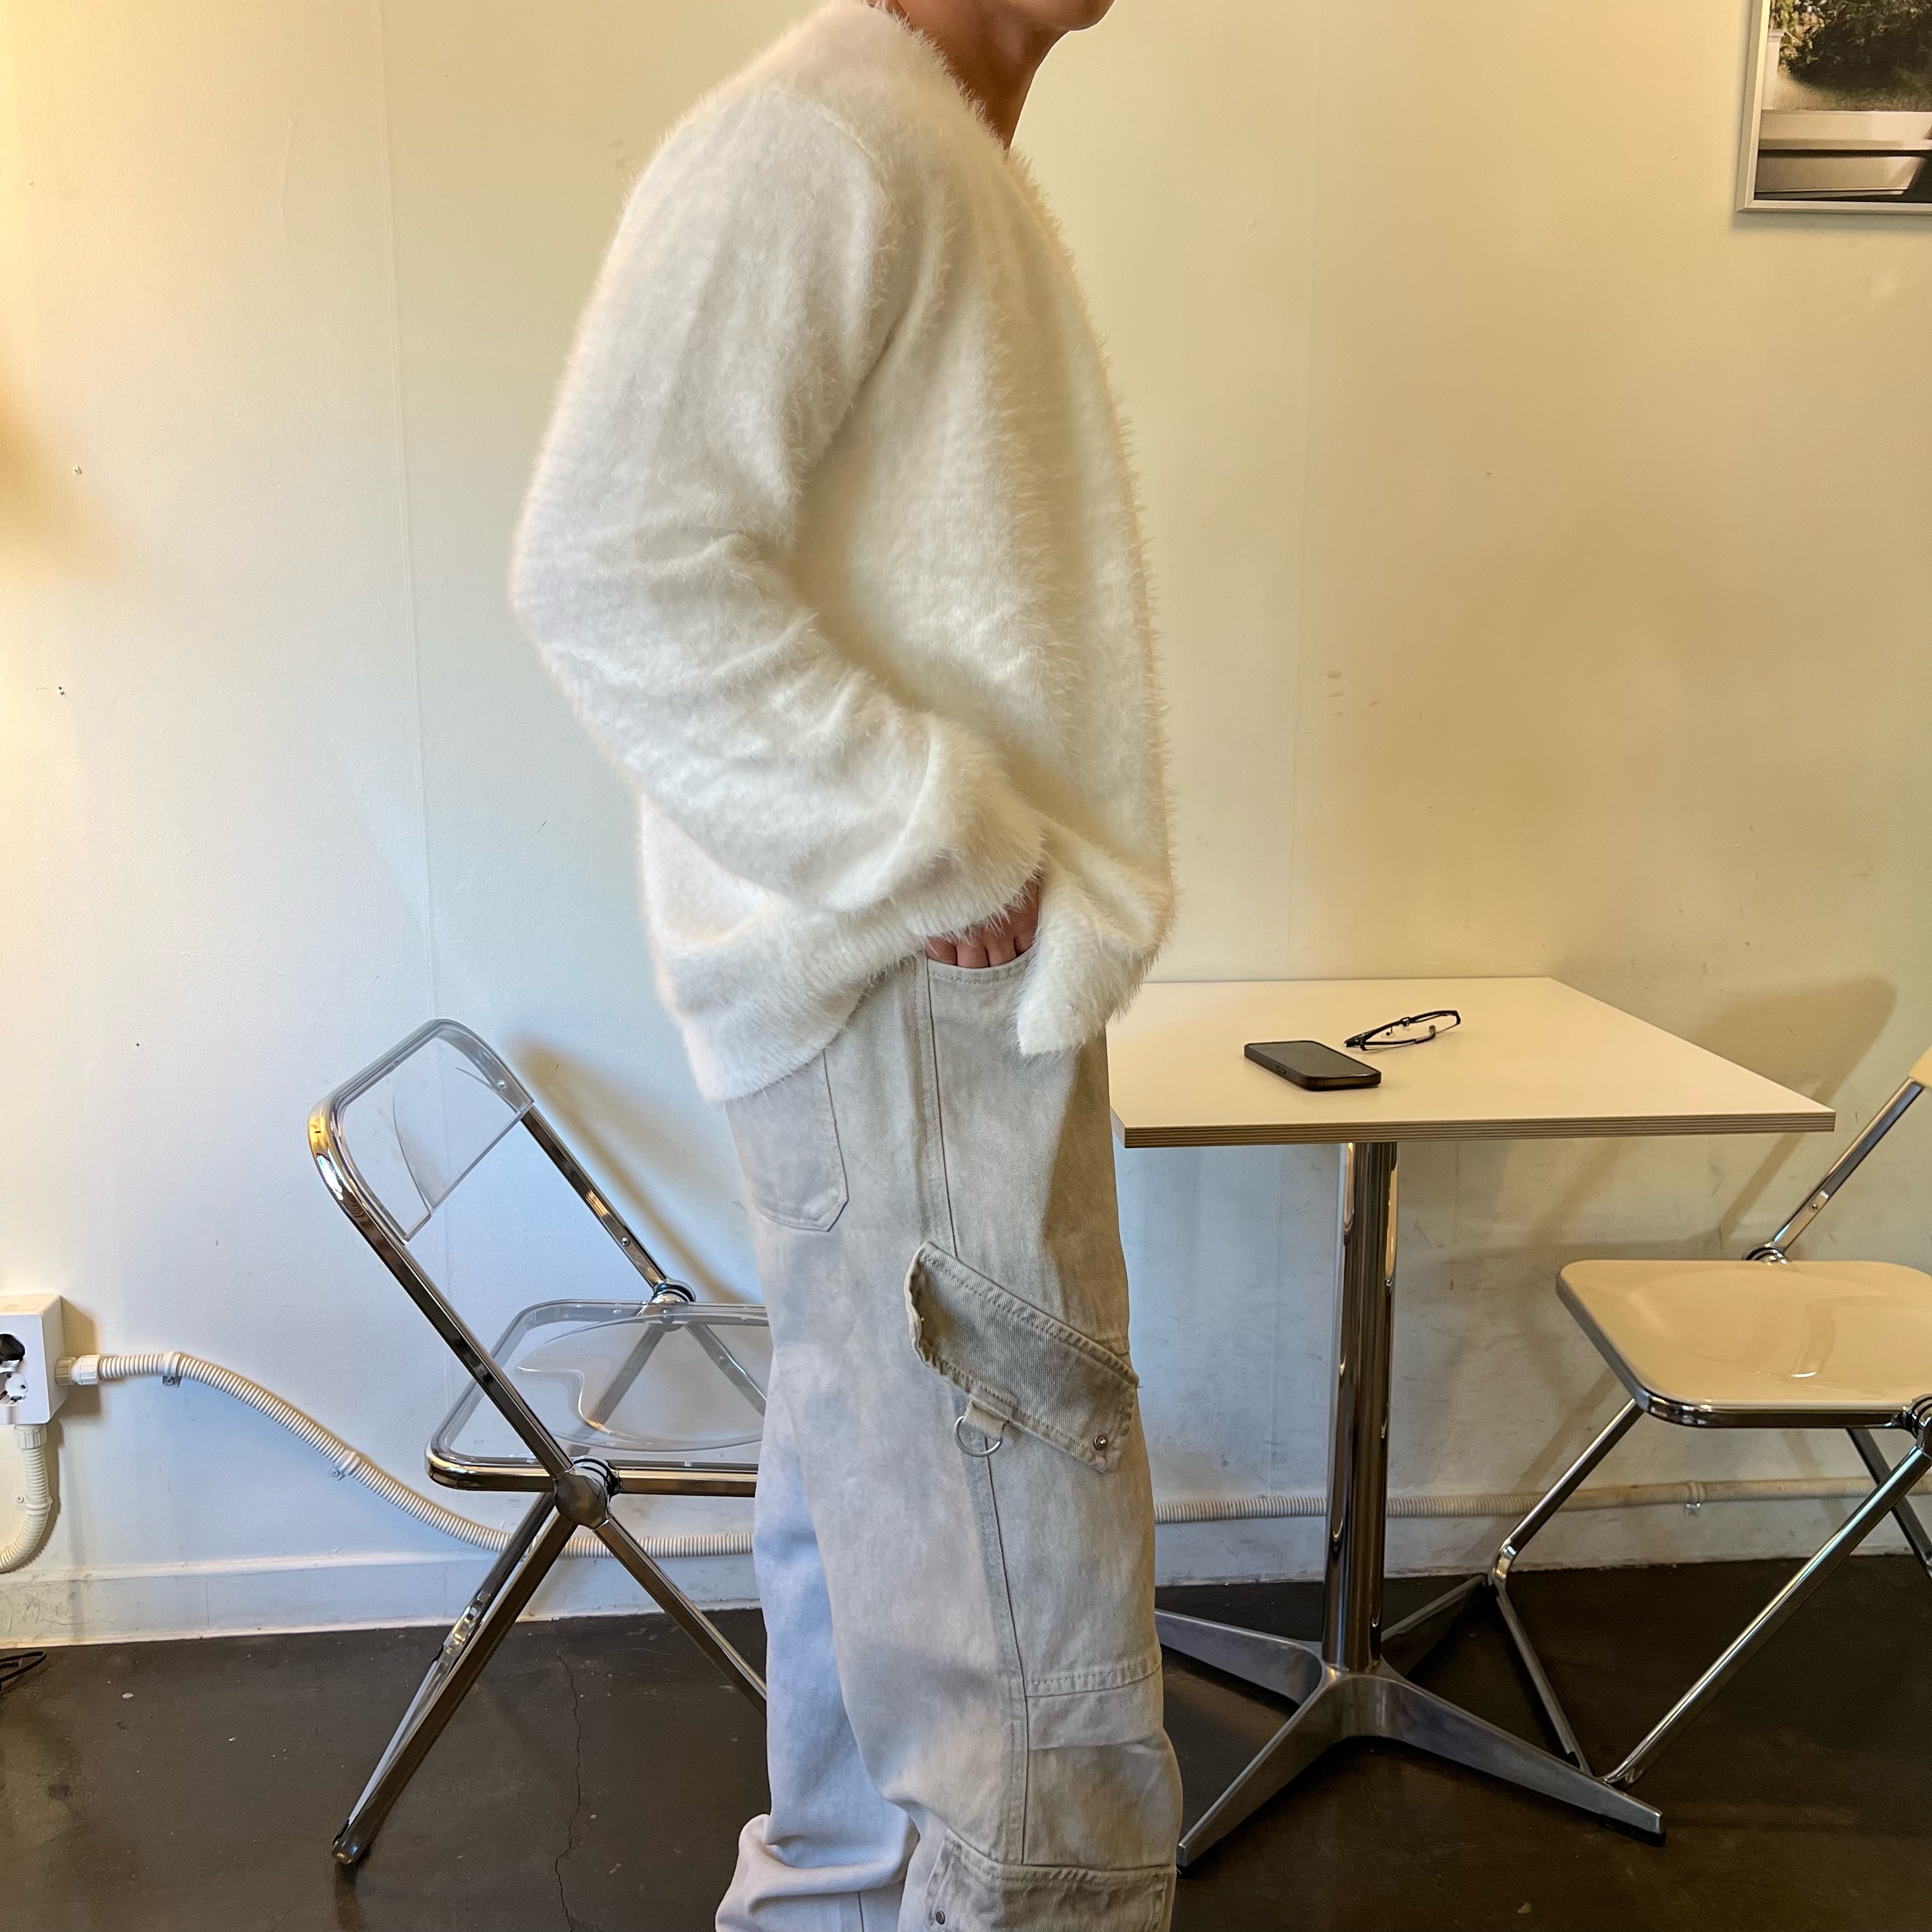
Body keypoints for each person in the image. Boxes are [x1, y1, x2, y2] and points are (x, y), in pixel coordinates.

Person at [511, 1, 1179, 1924]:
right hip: (906, 1002)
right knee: (1025, 1686)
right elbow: (608, 567)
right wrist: (924, 839)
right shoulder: (824, 136)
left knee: (891, 1610)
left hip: (919, 1000)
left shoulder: (910, 137)